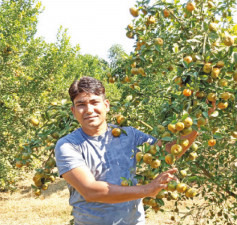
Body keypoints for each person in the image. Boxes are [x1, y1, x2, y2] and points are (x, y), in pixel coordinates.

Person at [55, 76, 198, 225]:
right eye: (81, 104)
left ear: (106, 105)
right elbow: (91, 191)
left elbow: (166, 152)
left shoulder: (129, 135)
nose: (89, 110)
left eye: (94, 102)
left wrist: (196, 123)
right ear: (73, 111)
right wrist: (148, 189)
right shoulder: (68, 145)